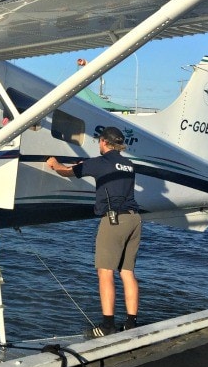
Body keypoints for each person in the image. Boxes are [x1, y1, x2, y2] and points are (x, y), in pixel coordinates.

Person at [46, 126, 142, 338]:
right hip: (134, 219)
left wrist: (53, 164)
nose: (98, 144)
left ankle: (108, 326)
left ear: (105, 142)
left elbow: (68, 171)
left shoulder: (101, 162)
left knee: (105, 271)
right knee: (127, 272)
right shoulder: (128, 164)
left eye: (99, 141)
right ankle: (132, 324)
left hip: (114, 221)